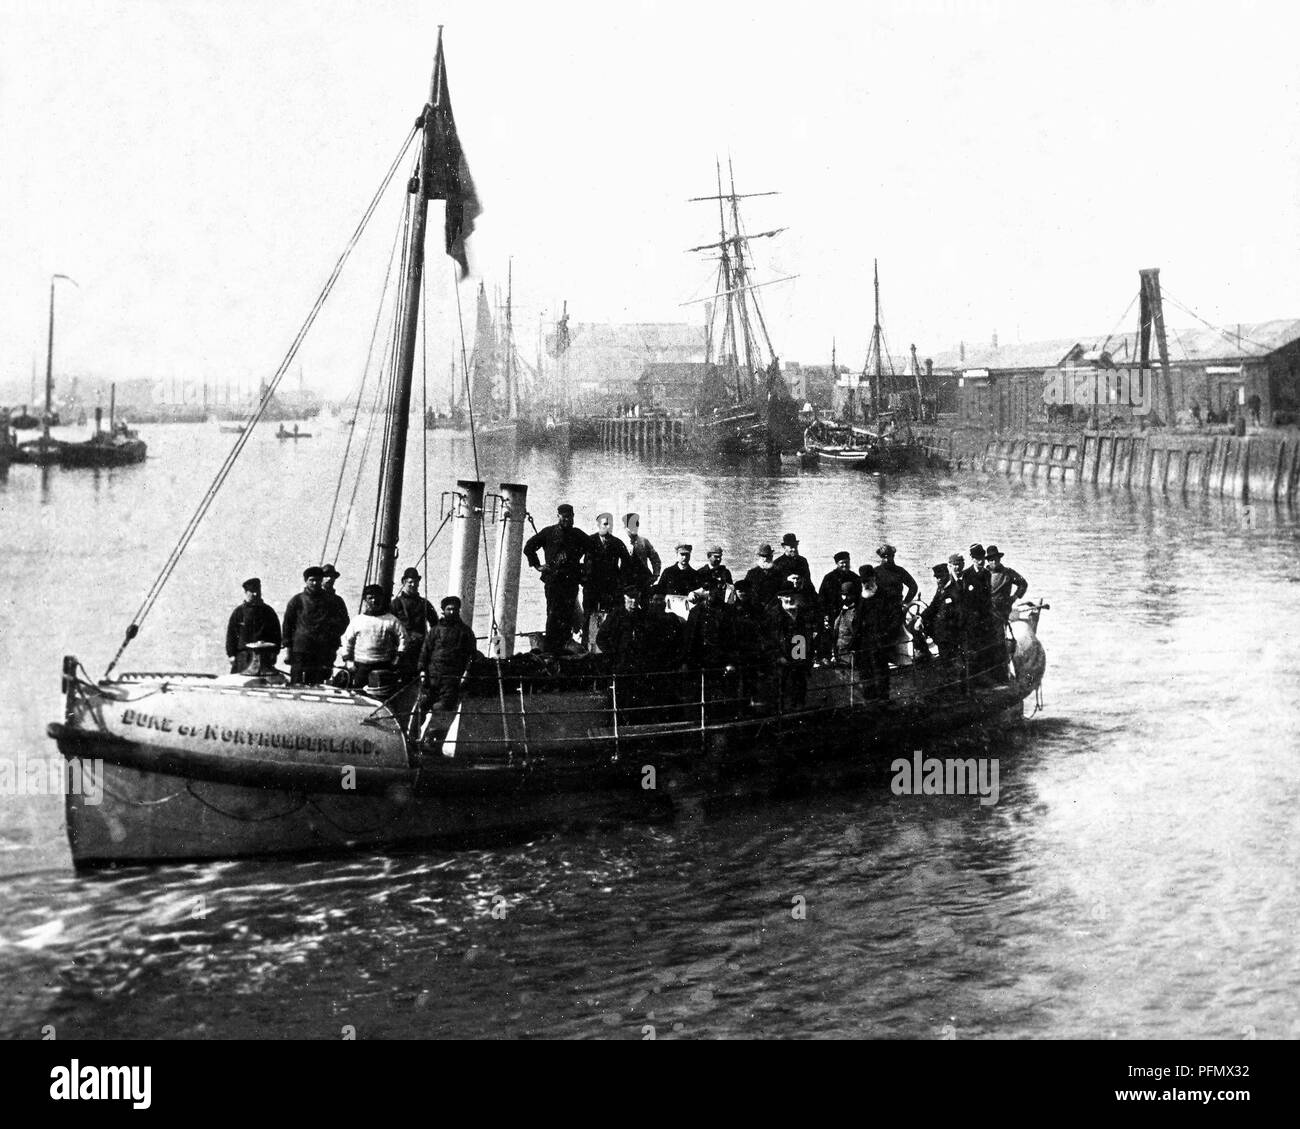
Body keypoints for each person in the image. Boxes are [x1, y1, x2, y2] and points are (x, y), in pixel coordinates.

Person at [523, 503, 589, 654]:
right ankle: (553, 645)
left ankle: (566, 640)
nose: (567, 520)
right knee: (553, 612)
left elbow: (592, 548)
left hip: (571, 581)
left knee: (568, 612)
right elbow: (529, 547)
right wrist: (538, 566)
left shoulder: (577, 535)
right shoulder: (549, 532)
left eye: (569, 517)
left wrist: (583, 566)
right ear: (558, 516)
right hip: (553, 580)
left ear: (573, 517)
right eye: (564, 517)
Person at [342, 584, 410, 689]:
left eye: (377, 598)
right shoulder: (357, 621)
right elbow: (347, 641)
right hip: (361, 666)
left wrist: (398, 656)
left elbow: (403, 638)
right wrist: (347, 660)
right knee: (358, 691)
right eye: (370, 598)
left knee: (381, 693)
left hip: (383, 665)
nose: (374, 601)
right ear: (365, 600)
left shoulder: (391, 620)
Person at [419, 595, 478, 713]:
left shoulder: (465, 632)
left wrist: (466, 673)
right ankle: (415, 730)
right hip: (432, 677)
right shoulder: (435, 630)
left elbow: (472, 655)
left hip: (451, 679)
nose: (452, 612)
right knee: (421, 707)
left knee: (442, 709)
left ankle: (434, 730)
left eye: (454, 609)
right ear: (443, 611)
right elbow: (425, 651)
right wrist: (422, 670)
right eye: (449, 609)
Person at [765, 582, 817, 710]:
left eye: (792, 595)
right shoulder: (773, 616)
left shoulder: (803, 614)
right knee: (781, 693)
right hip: (781, 663)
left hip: (799, 660)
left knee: (799, 691)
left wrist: (807, 657)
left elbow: (809, 636)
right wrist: (777, 656)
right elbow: (767, 640)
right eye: (786, 596)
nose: (790, 598)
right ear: (779, 598)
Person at [283, 566, 339, 685]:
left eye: (318, 580)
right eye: (311, 580)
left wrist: (330, 637)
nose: (315, 583)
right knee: (296, 682)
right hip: (300, 649)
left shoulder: (331, 601)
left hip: (321, 650)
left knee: (316, 682)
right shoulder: (297, 600)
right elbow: (288, 624)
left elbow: (342, 621)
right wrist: (288, 649)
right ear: (306, 581)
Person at [584, 512, 631, 647]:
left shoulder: (617, 543)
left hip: (611, 587)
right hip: (592, 587)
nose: (608, 527)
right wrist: (584, 578)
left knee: (612, 616)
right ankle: (587, 645)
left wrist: (620, 580)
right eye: (605, 524)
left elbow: (627, 562)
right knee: (589, 615)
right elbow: (577, 558)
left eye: (610, 524)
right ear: (598, 525)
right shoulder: (589, 541)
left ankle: (609, 646)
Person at [225, 578, 282, 675]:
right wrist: (231, 655)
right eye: (252, 591)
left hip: (264, 657)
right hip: (243, 656)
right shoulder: (239, 612)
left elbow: (276, 634)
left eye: (257, 591)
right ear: (246, 592)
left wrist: (274, 653)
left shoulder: (268, 612)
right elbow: (231, 635)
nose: (255, 594)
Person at [873, 544, 919, 662]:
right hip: (880, 609)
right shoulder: (875, 572)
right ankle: (883, 657)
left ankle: (894, 656)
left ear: (894, 556)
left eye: (890, 556)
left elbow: (913, 586)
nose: (888, 559)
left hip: (895, 608)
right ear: (881, 557)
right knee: (880, 633)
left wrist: (906, 602)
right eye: (885, 557)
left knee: (893, 632)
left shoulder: (899, 571)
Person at [390, 567, 437, 678]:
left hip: (421, 648)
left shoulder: (424, 603)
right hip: (402, 648)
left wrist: (430, 641)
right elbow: (390, 627)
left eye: (416, 582)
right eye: (410, 582)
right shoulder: (396, 604)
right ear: (404, 582)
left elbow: (435, 624)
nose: (413, 585)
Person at [320, 565, 350, 675]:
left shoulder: (338, 601)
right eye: (326, 576)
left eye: (332, 576)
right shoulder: (313, 599)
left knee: (326, 672)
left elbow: (345, 622)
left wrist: (333, 633)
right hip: (312, 644)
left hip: (329, 644)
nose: (329, 579)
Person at [985, 545, 1028, 622]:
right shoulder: (983, 574)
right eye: (991, 560)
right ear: (988, 561)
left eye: (996, 559)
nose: (994, 562)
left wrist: (1014, 597)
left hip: (1003, 609)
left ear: (999, 559)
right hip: (986, 609)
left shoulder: (1008, 573)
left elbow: (1023, 584)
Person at [624, 512, 661, 597]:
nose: (634, 528)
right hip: (625, 582)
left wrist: (655, 575)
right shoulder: (620, 542)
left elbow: (655, 559)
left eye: (636, 524)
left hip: (643, 581)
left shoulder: (644, 542)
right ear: (625, 527)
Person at [744, 543, 783, 609]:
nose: (765, 559)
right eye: (762, 556)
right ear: (759, 557)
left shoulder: (778, 573)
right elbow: (745, 591)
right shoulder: (752, 573)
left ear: (771, 556)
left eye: (767, 556)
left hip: (774, 608)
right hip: (756, 608)